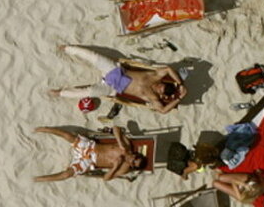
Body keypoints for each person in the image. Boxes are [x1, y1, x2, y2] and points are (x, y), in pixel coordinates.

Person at [49, 45, 187, 114]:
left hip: (112, 88)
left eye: (159, 89)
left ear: (161, 94)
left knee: (86, 92)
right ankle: (67, 48)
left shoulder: (153, 98)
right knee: (92, 56)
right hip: (115, 70)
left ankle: (59, 93)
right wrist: (180, 83)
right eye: (160, 85)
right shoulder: (154, 77)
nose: (157, 86)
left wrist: (179, 98)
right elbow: (169, 69)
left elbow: (163, 111)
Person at [33, 126, 147, 182]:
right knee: (68, 136)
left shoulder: (124, 168)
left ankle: (39, 179)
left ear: (132, 166)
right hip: (90, 148)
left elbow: (106, 178)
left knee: (66, 175)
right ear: (136, 154)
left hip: (88, 162)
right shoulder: (126, 146)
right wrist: (120, 142)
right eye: (135, 158)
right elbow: (116, 128)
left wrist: (115, 167)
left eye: (133, 163)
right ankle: (43, 129)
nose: (131, 160)